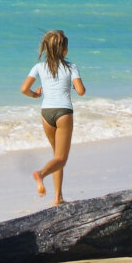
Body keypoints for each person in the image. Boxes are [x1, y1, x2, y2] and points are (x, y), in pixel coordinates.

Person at [20, 29, 85, 204]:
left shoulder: (39, 67)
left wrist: (36, 94)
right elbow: (80, 91)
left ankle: (58, 198)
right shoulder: (71, 67)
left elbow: (24, 89)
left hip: (46, 113)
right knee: (61, 158)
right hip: (63, 112)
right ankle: (40, 174)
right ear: (64, 49)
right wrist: (73, 85)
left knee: (57, 157)